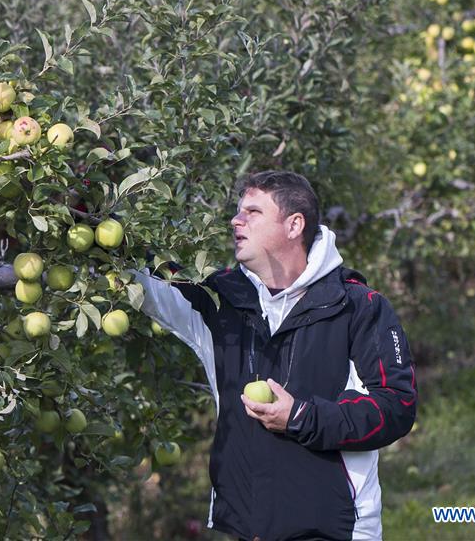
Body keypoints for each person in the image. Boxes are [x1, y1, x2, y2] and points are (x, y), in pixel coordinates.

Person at [132, 170, 418, 540]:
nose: (236, 220)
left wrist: (302, 417)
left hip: (335, 529)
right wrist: (87, 210)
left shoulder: (358, 307)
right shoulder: (221, 301)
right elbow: (144, 276)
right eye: (238, 211)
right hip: (250, 529)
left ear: (294, 225)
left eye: (252, 212)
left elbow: (396, 407)